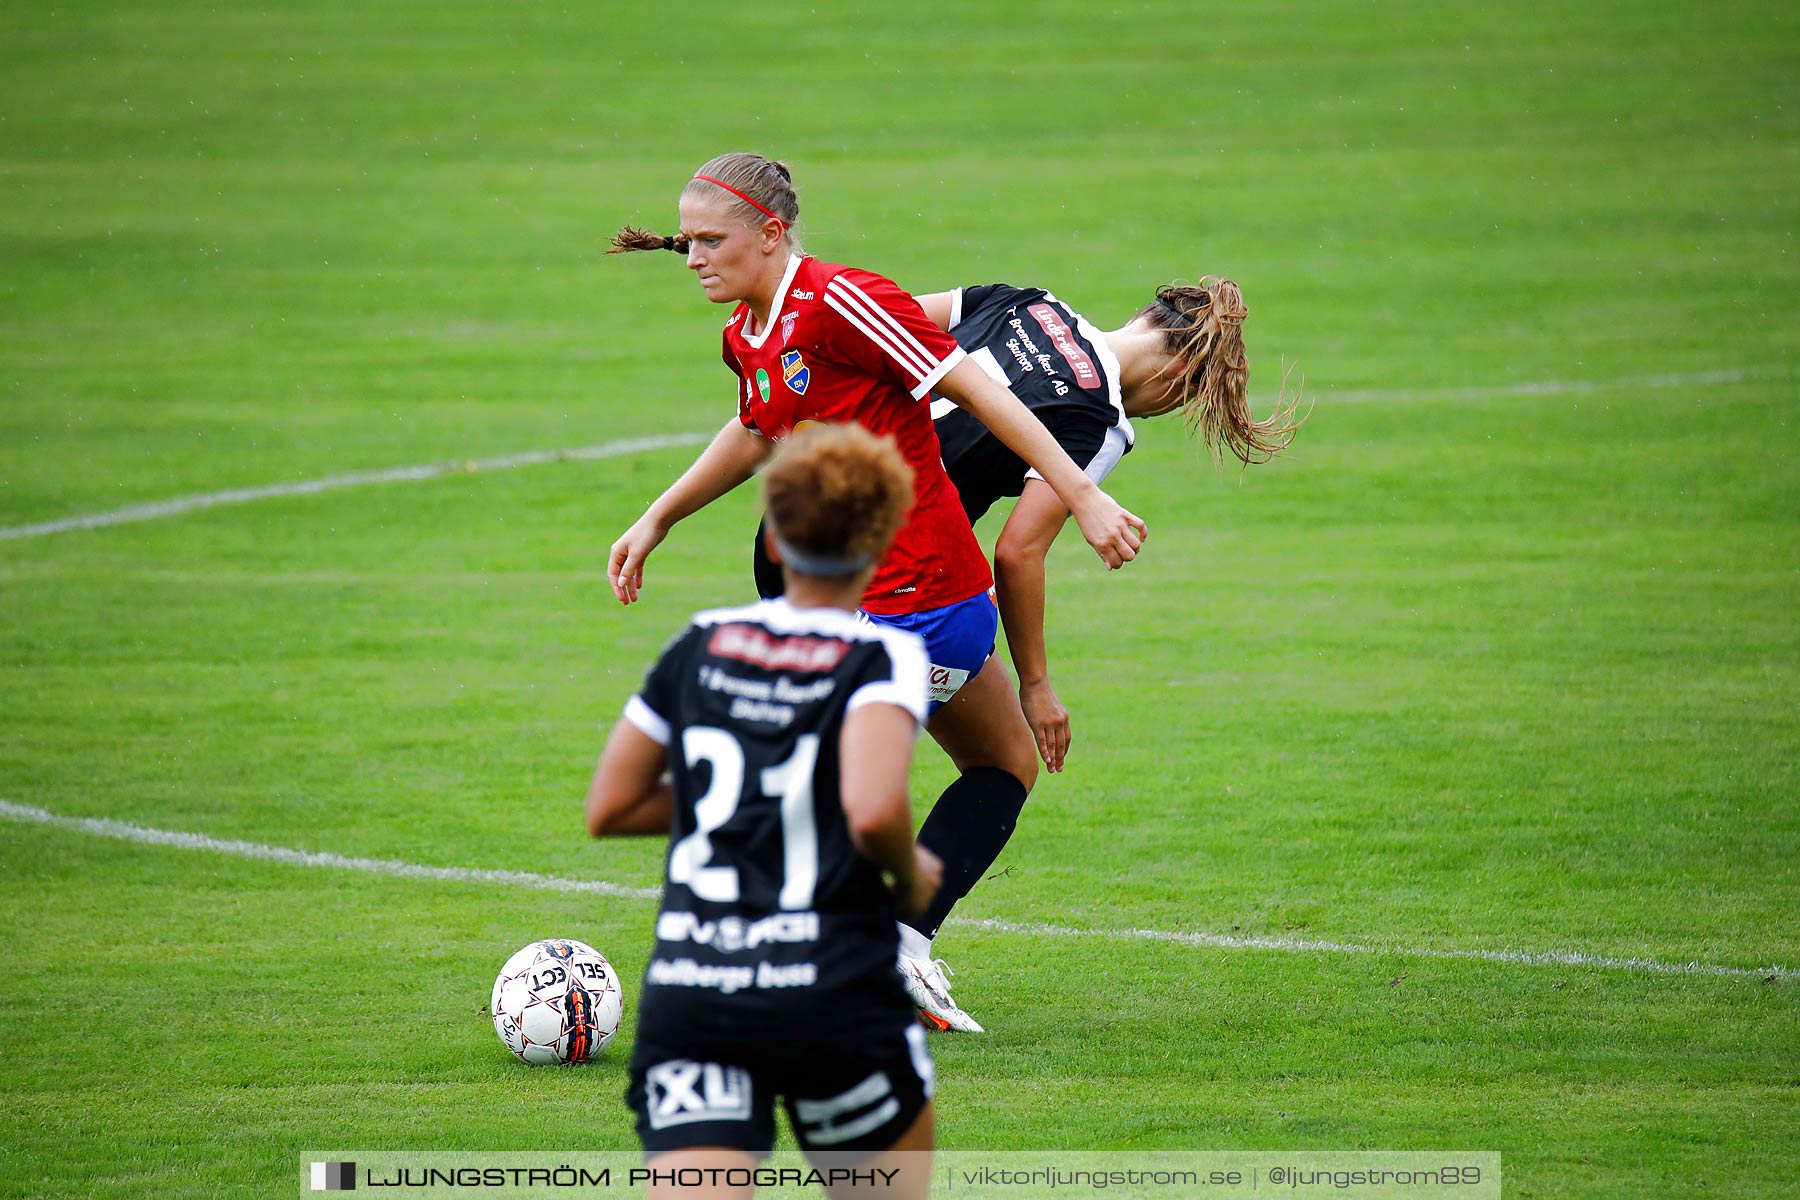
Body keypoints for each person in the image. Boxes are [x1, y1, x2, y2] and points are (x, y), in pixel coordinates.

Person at [605, 152, 1148, 1034]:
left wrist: (1082, 492)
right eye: (688, 242)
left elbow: (974, 384)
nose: (695, 256)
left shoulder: (843, 301)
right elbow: (755, 427)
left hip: (925, 598)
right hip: (866, 604)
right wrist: (659, 516)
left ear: (772, 234)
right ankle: (884, 946)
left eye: (713, 240)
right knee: (997, 763)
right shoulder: (749, 332)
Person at [748, 278, 1304, 982]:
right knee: (989, 762)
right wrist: (1038, 686)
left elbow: (874, 333)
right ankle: (841, 946)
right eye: (1183, 400)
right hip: (887, 577)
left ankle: (869, 937)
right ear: (1177, 374)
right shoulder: (1097, 420)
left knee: (936, 752)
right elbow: (1017, 553)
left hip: (790, 531)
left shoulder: (1020, 300)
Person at [587, 424, 944, 1198]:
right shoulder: (883, 658)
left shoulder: (701, 642)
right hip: (833, 996)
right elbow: (873, 806)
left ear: (773, 538)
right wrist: (908, 870)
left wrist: (747, 799)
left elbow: (610, 806)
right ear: (885, 540)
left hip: (696, 994)